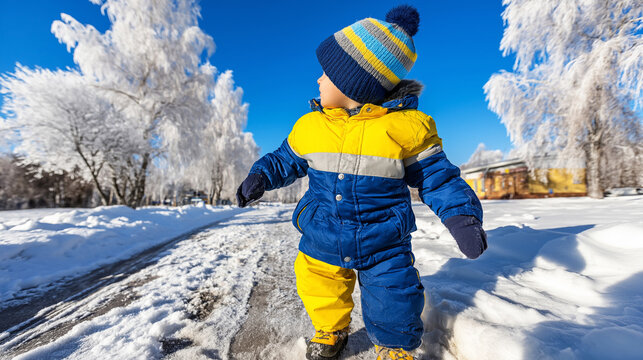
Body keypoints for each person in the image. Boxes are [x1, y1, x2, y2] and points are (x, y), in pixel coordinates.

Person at [236, 5, 487, 360]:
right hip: (322, 232)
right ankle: (329, 329)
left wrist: (461, 217)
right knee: (318, 283)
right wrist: (260, 175)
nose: (319, 80)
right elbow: (286, 159)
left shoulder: (407, 128)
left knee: (394, 296)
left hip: (383, 240)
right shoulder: (311, 126)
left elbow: (437, 176)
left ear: (353, 82)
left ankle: (395, 347)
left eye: (325, 73)